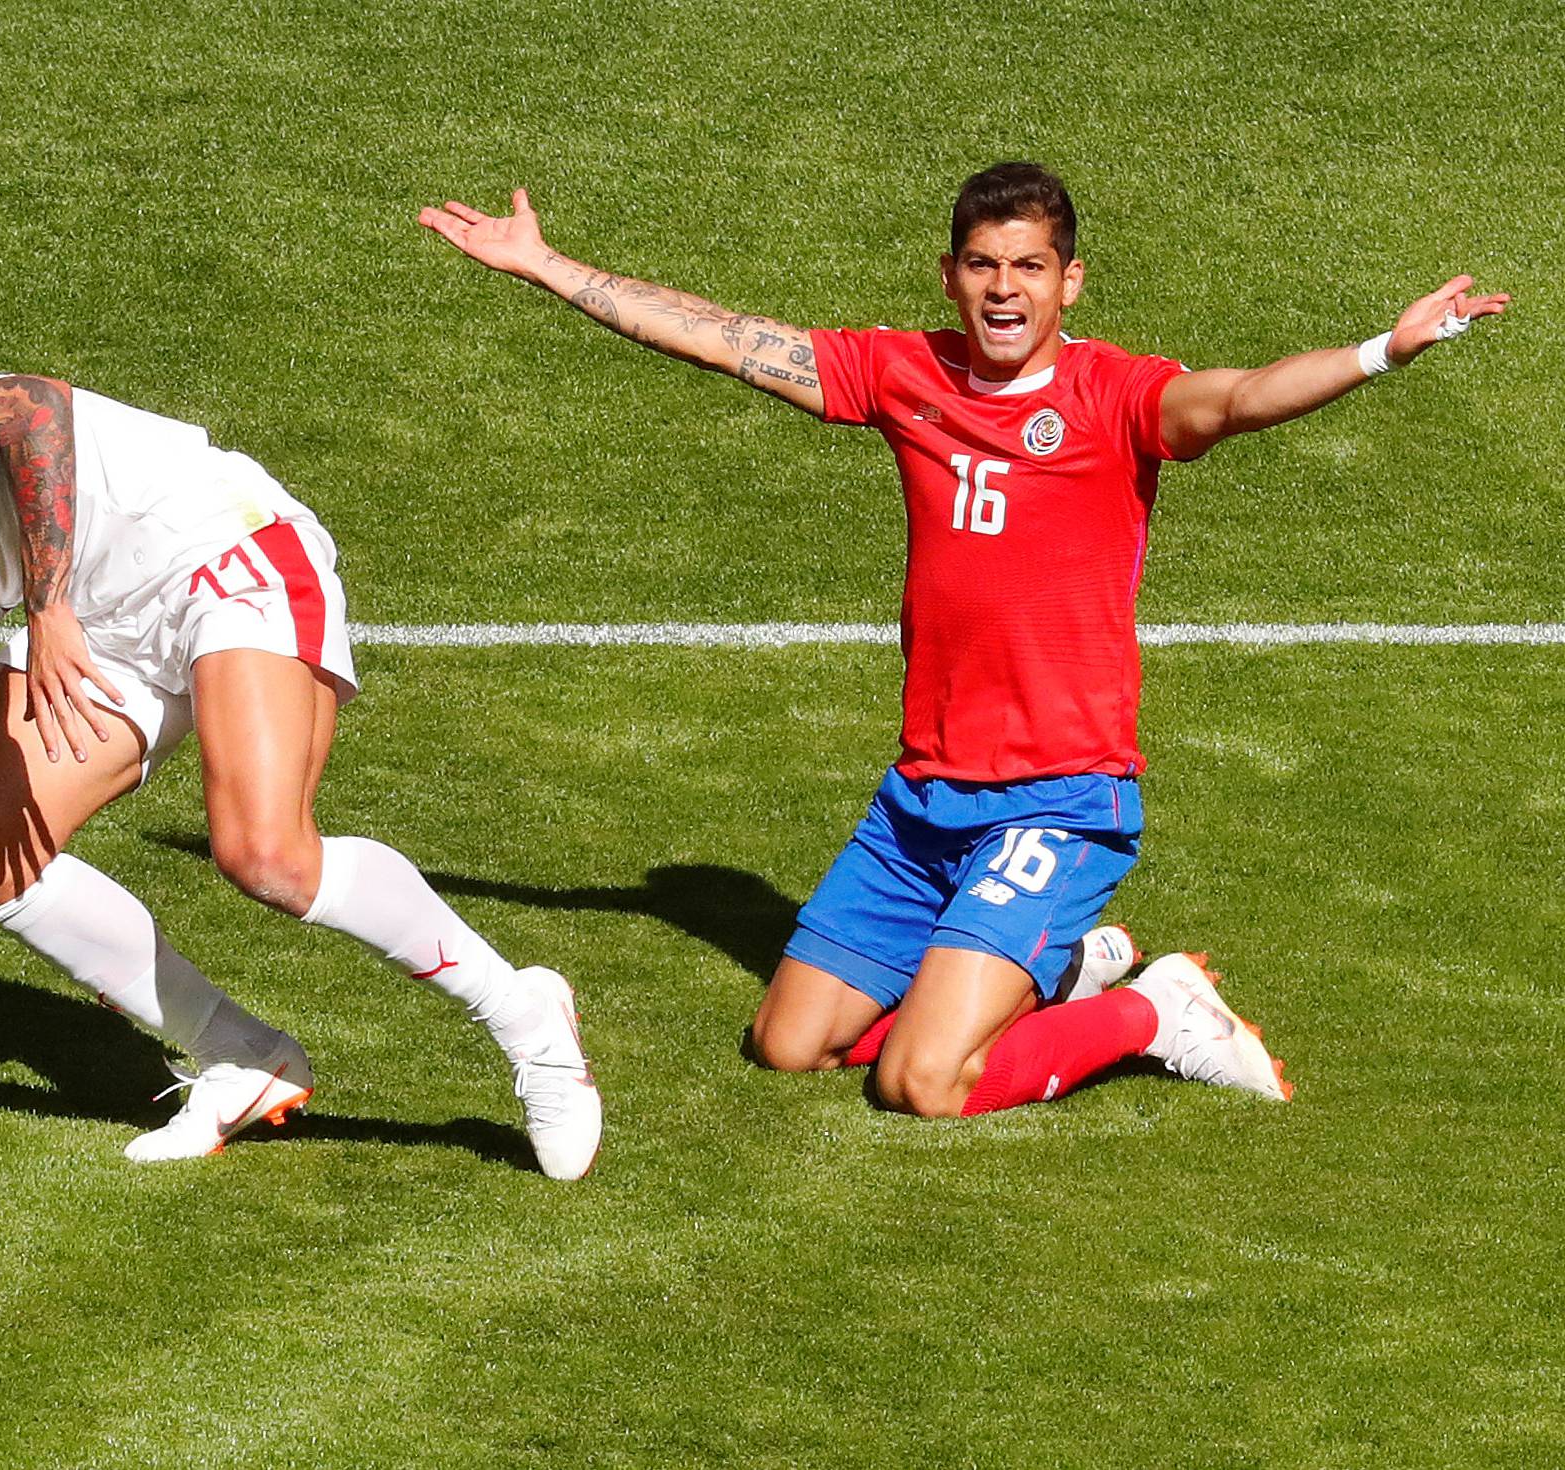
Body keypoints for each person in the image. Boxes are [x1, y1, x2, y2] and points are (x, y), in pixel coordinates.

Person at [419, 161, 1506, 1118]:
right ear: (950, 274)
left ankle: (1152, 1011)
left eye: (1029, 267)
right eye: (984, 266)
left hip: (1062, 797)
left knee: (923, 1083)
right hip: (924, 800)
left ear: (1068, 281)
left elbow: (1235, 400)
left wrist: (1383, 352)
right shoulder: (908, 375)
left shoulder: (1113, 395)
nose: (1003, 289)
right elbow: (727, 339)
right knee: (788, 1044)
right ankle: (1050, 967)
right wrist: (546, 265)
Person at [0, 373, 601, 1177]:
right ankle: (242, 1057)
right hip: (94, 618)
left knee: (267, 856)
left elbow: (30, 408)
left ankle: (525, 1016)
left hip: (208, 543)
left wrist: (50, 608)